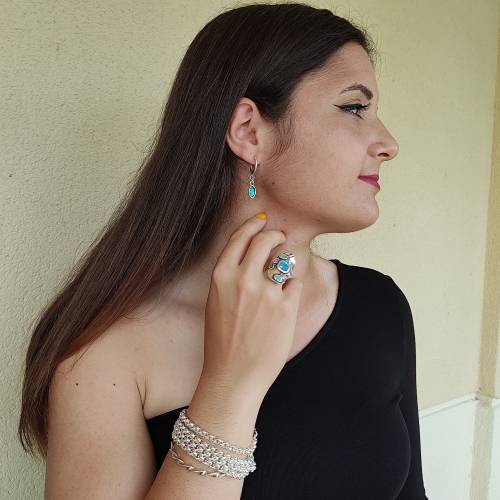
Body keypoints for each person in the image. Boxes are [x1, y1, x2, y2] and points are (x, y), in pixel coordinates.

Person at [18, 3, 429, 499]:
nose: (388, 143)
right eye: (354, 108)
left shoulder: (380, 306)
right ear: (249, 131)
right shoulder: (103, 357)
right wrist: (230, 386)